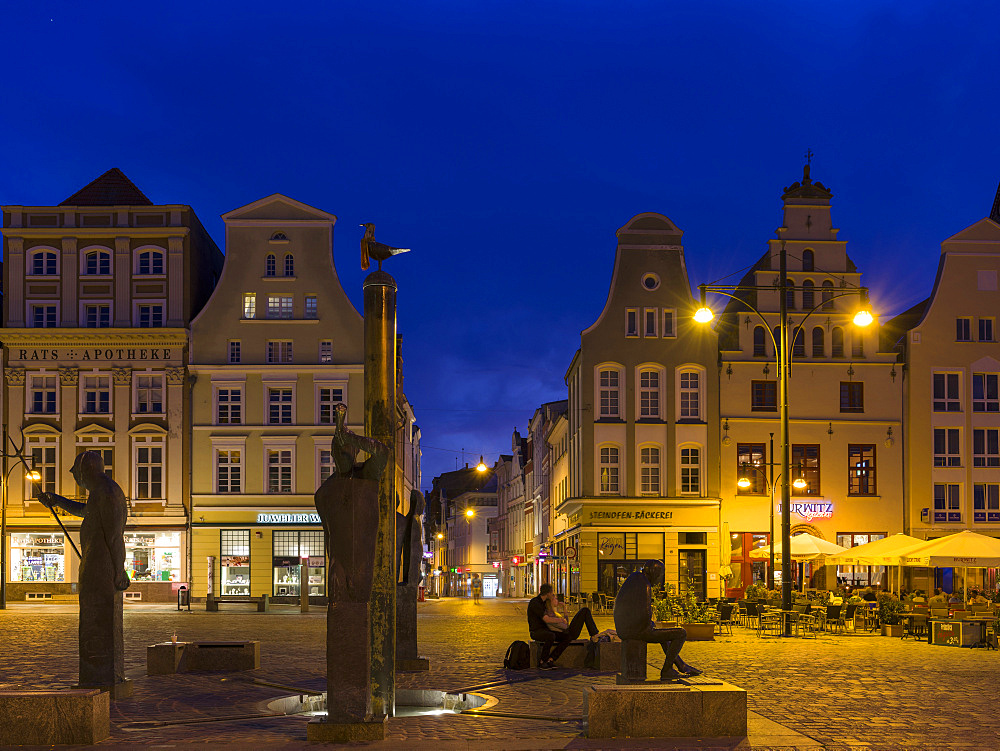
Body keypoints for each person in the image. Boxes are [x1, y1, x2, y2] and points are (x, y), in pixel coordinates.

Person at [38, 451, 130, 691]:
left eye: (75, 474)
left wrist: (119, 571)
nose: (76, 480)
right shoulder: (101, 491)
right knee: (93, 618)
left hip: (101, 568)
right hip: (96, 564)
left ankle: (98, 675)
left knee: (95, 619)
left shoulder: (107, 492)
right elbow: (86, 512)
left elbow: (114, 535)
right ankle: (97, 674)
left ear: (83, 471)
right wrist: (57, 500)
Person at [614, 561, 700, 681]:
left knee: (662, 633)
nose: (659, 579)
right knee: (681, 633)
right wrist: (649, 625)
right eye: (659, 575)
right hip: (636, 632)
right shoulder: (645, 584)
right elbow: (645, 612)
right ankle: (667, 670)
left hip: (624, 630)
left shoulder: (634, 577)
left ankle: (680, 665)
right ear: (654, 573)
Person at [527, 584, 598, 669]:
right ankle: (543, 661)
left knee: (566, 637)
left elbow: (563, 624)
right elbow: (547, 620)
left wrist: (563, 609)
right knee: (551, 636)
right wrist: (561, 620)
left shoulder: (546, 606)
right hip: (537, 631)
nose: (555, 598)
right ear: (548, 593)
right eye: (553, 595)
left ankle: (551, 659)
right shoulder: (536, 603)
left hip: (552, 630)